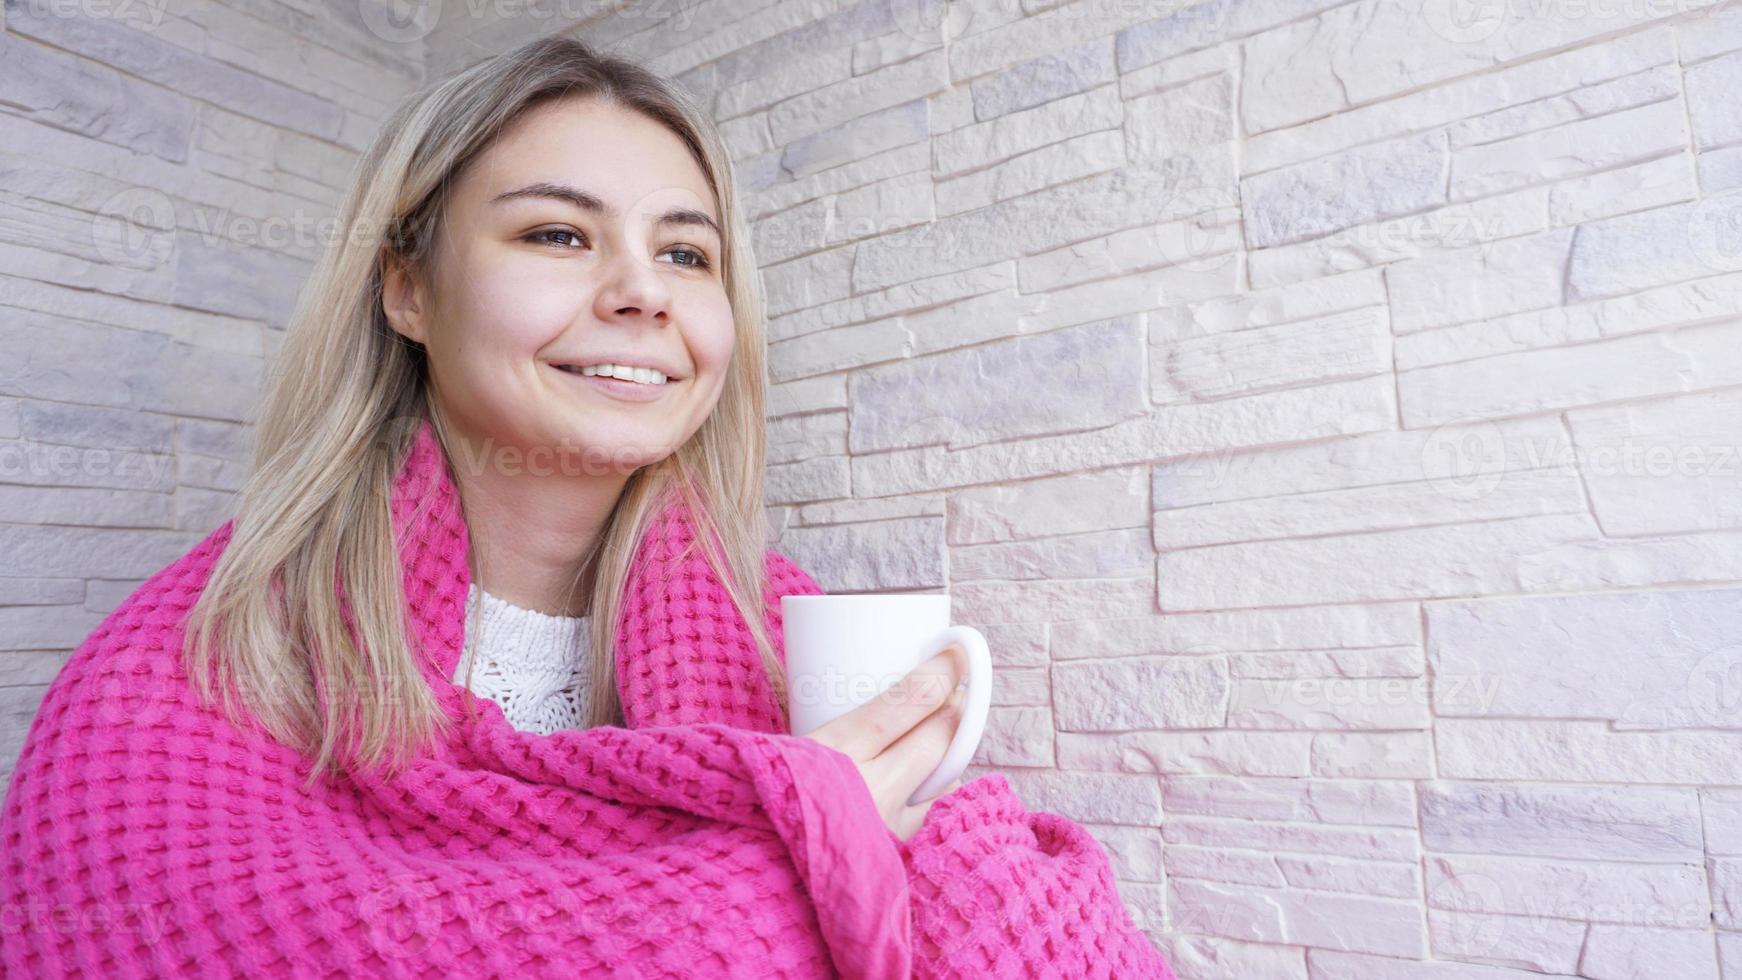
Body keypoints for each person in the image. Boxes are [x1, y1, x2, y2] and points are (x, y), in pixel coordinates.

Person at [0, 32, 1178, 979]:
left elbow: (984, 880)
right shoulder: (210, 648)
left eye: (686, 253)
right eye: (557, 234)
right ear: (406, 286)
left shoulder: (778, 624)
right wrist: (805, 856)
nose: (638, 294)